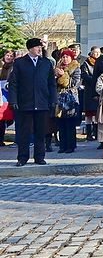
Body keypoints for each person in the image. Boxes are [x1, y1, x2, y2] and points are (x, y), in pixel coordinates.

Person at [8, 38, 58, 166]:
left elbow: (52, 84)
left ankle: (39, 157)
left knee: (40, 132)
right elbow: (13, 84)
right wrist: (13, 100)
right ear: (30, 48)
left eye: (40, 47)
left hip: (42, 103)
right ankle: (22, 158)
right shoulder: (20, 63)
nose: (39, 49)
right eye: (37, 47)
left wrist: (53, 99)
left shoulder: (46, 63)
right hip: (25, 103)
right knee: (24, 132)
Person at [54, 48, 81, 154]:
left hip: (70, 99)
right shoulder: (58, 68)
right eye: (63, 57)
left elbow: (73, 83)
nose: (65, 59)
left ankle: (71, 145)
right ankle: (62, 145)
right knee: (61, 123)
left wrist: (63, 75)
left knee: (70, 123)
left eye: (67, 57)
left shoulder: (76, 68)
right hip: (59, 98)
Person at [80, 46, 101, 141]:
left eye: (98, 52)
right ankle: (88, 134)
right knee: (89, 114)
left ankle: (97, 133)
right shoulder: (86, 63)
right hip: (89, 90)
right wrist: (94, 80)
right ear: (91, 53)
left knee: (97, 113)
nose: (96, 54)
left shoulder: (100, 62)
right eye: (95, 52)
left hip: (98, 89)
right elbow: (84, 75)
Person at [0, 49, 16, 146]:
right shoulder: (1, 66)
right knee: (1, 118)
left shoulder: (14, 67)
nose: (9, 57)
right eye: (7, 55)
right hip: (0, 93)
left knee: (8, 117)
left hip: (9, 94)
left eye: (11, 56)